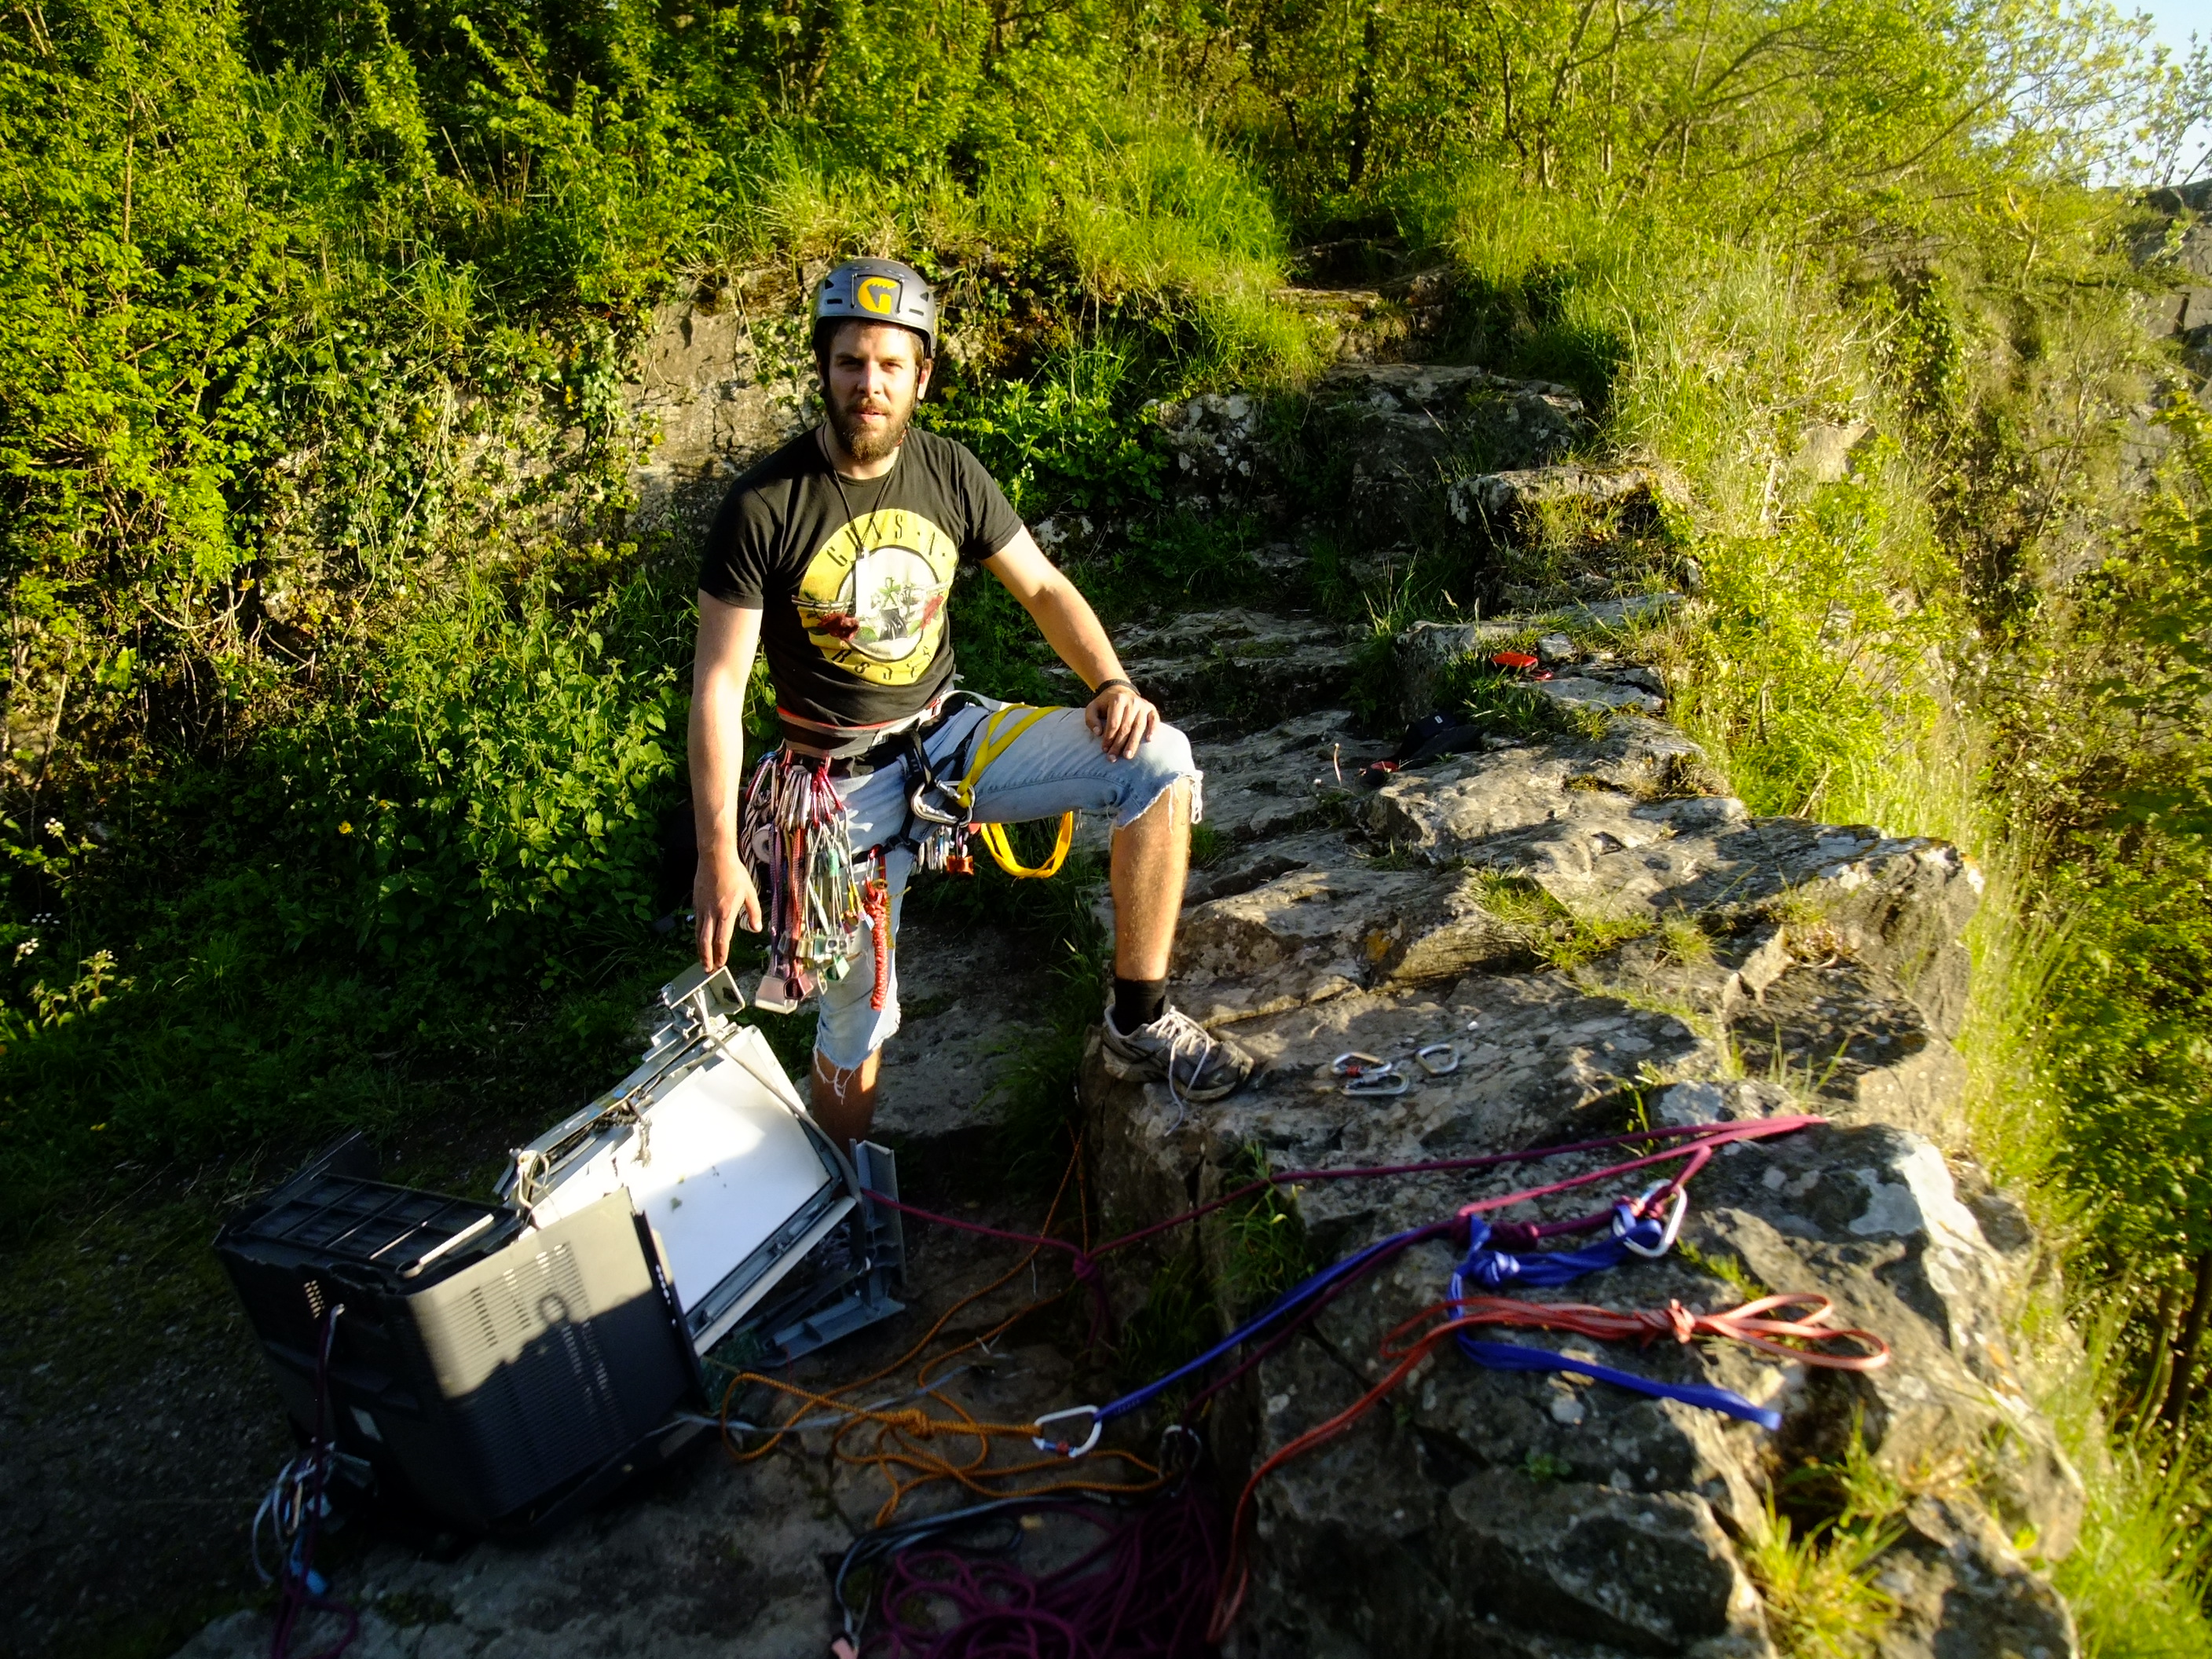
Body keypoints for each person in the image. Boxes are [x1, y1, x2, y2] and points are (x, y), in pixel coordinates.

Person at [690, 256, 1253, 1151]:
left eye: (888, 365)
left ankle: (1138, 1017)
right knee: (857, 1025)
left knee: (1157, 761)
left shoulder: (949, 472)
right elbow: (719, 688)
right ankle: (838, 1210)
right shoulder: (765, 506)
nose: (867, 385)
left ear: (922, 376)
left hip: (946, 738)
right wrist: (718, 851)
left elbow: (1042, 587)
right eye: (849, 363)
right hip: (833, 795)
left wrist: (1111, 682)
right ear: (823, 371)